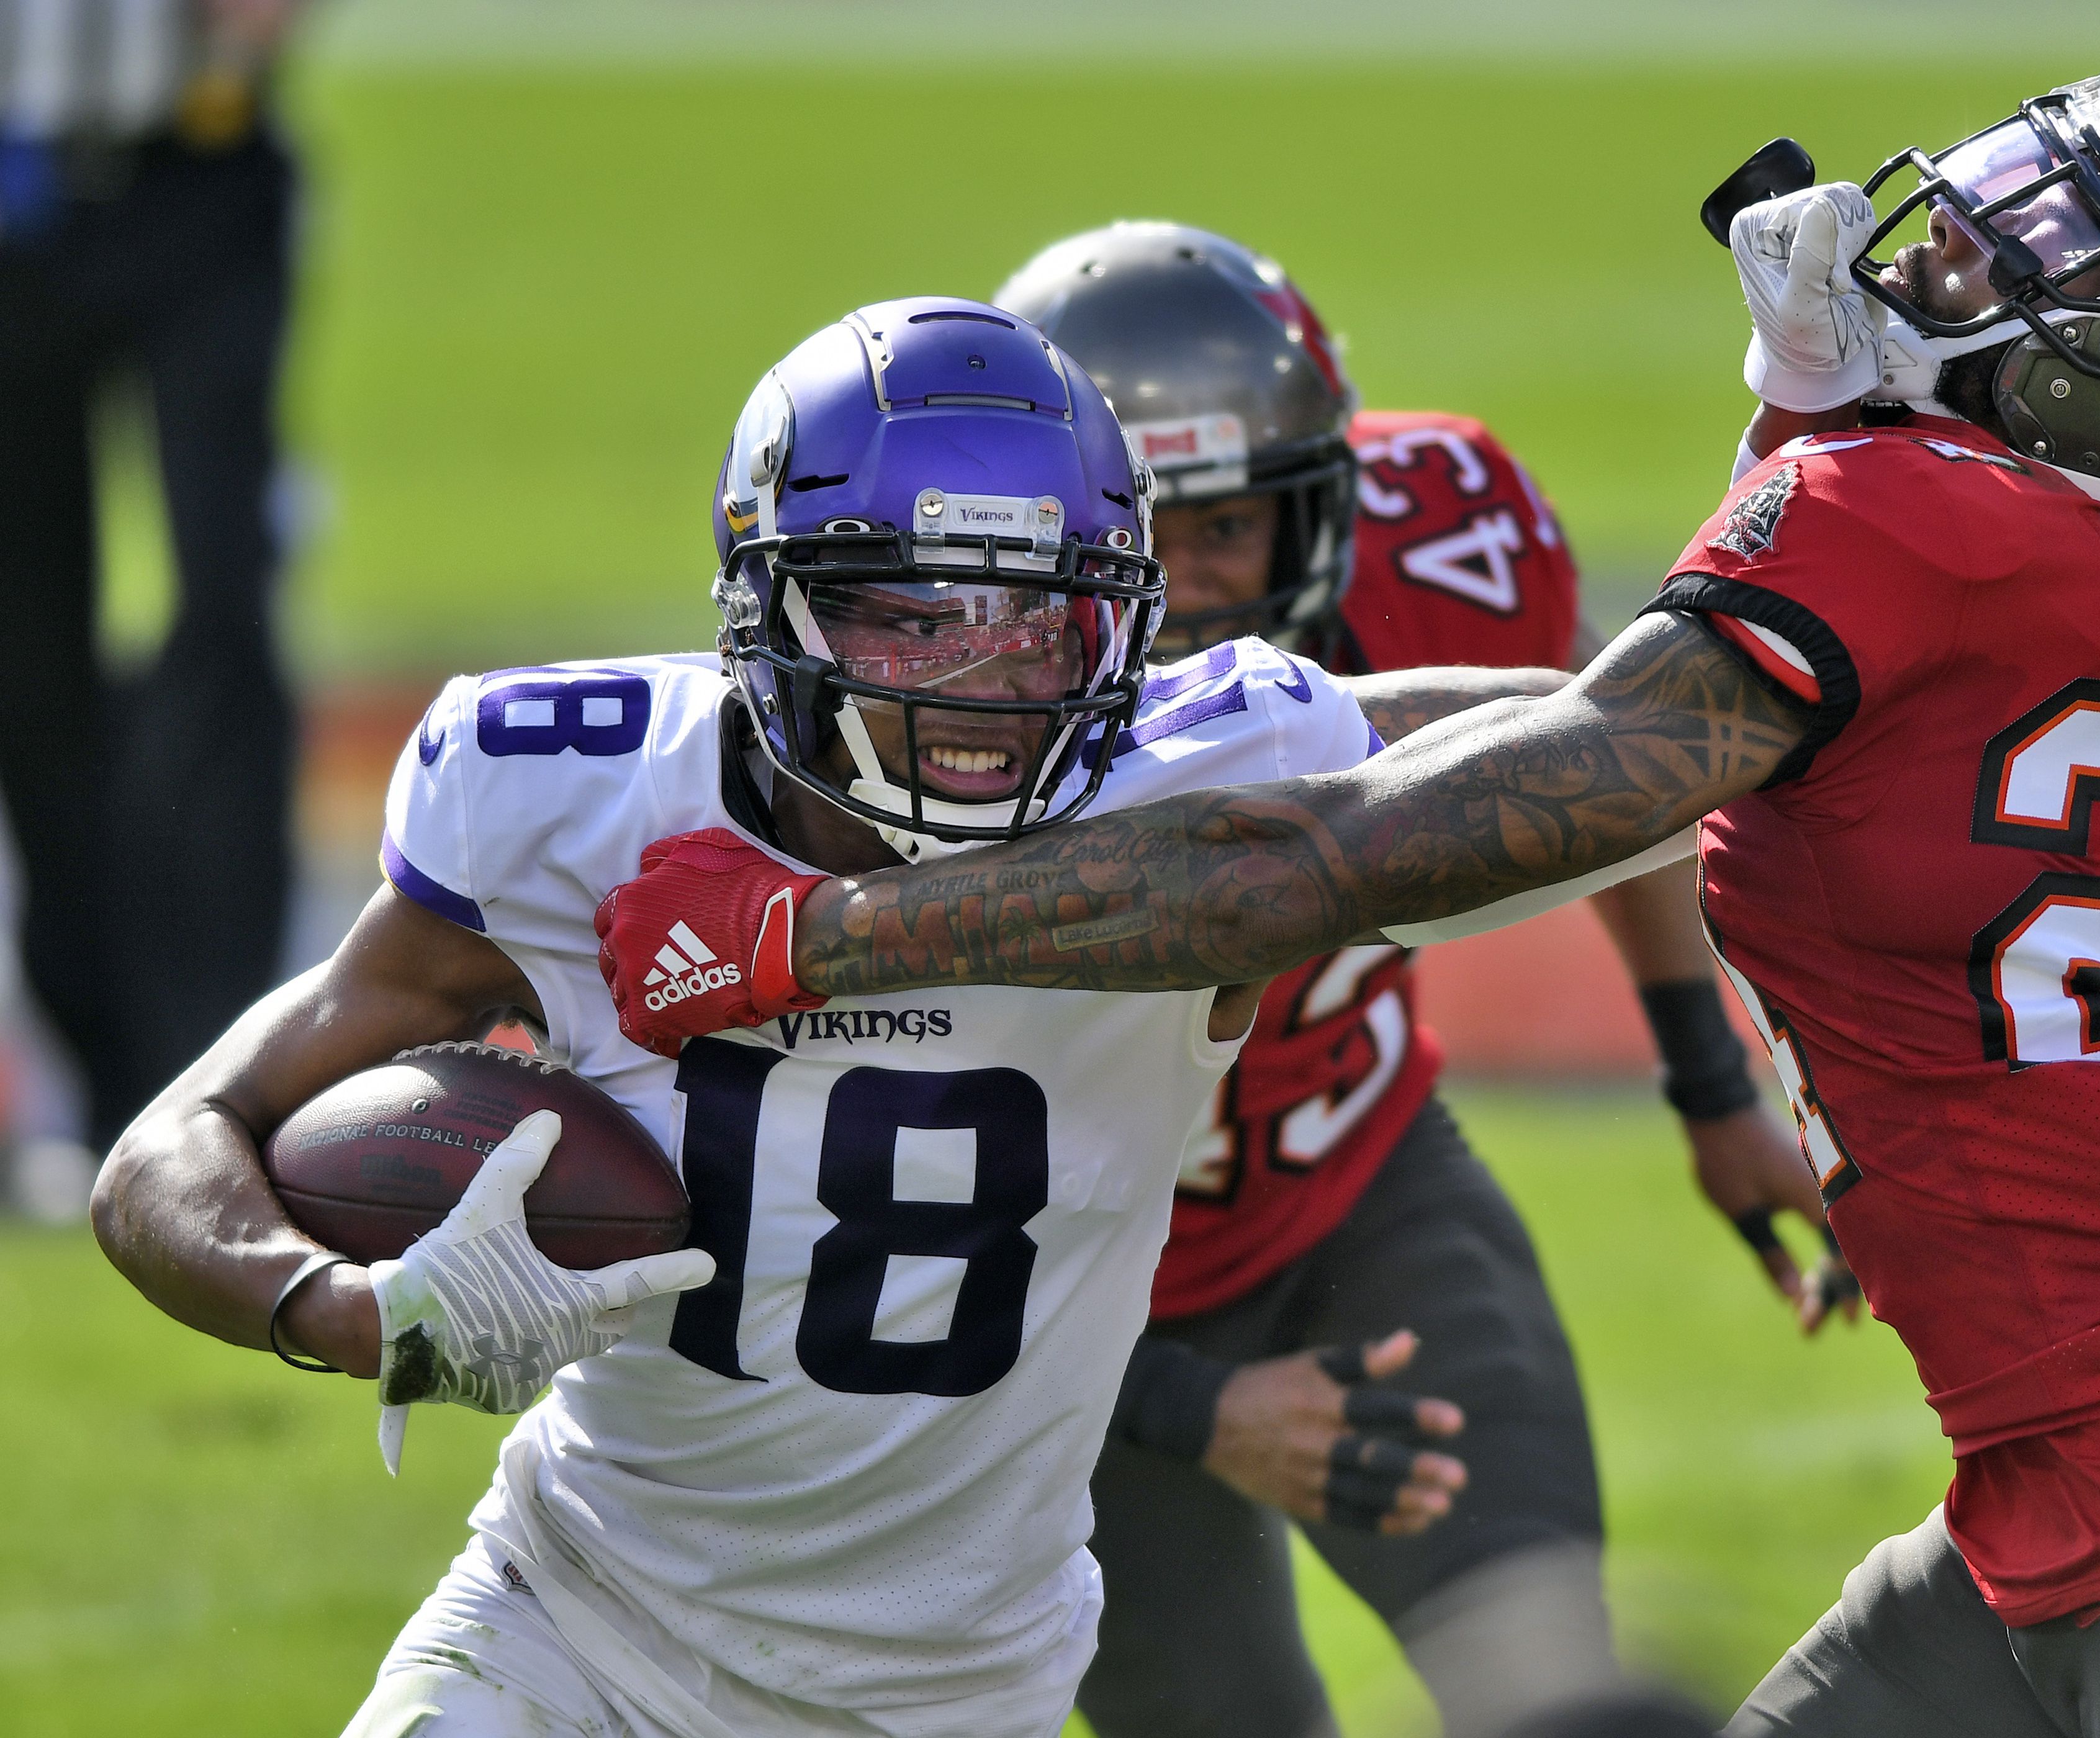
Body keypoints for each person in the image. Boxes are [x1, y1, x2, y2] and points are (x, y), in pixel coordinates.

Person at [598, 81, 2100, 1737]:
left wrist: (814, 937)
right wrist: (1798, 429)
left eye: (2058, 247)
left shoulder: (1923, 525)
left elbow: (1338, 857)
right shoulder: (2099, 584)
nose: (1970, 250)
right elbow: (1751, 718)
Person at [88, 297, 1533, 1738]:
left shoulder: (1206, 771)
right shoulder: (566, 793)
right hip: (567, 1625)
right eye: (910, 615)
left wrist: (1762, 590)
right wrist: (349, 1310)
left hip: (957, 1695)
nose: (982, 676)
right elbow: (174, 1147)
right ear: (763, 597)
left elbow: (1595, 747)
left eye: (1039, 614)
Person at [988, 222, 1846, 1738]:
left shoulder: (1444, 552)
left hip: (1360, 1200)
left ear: (1322, 512)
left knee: (1550, 1679)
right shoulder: (944, 724)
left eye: (1227, 531)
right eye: (1136, 538)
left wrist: (1713, 1091)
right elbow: (858, 1225)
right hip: (1047, 1308)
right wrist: (1195, 1409)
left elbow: (1611, 786)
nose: (1179, 591)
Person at [0, 0, 309, 1156]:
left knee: (223, 604)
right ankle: (103, 1062)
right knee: (27, 650)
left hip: (197, 163)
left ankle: (221, 1060)